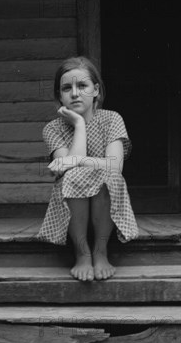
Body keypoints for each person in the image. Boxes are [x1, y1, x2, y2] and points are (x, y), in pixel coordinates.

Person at [37, 56, 139, 281]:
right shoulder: (53, 128)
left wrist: (77, 161)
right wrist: (80, 125)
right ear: (59, 96)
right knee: (72, 176)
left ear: (96, 90)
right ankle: (82, 253)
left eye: (82, 86)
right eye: (66, 88)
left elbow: (115, 165)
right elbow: (67, 168)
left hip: (105, 203)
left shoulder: (111, 119)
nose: (74, 93)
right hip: (72, 207)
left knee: (109, 175)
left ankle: (100, 252)